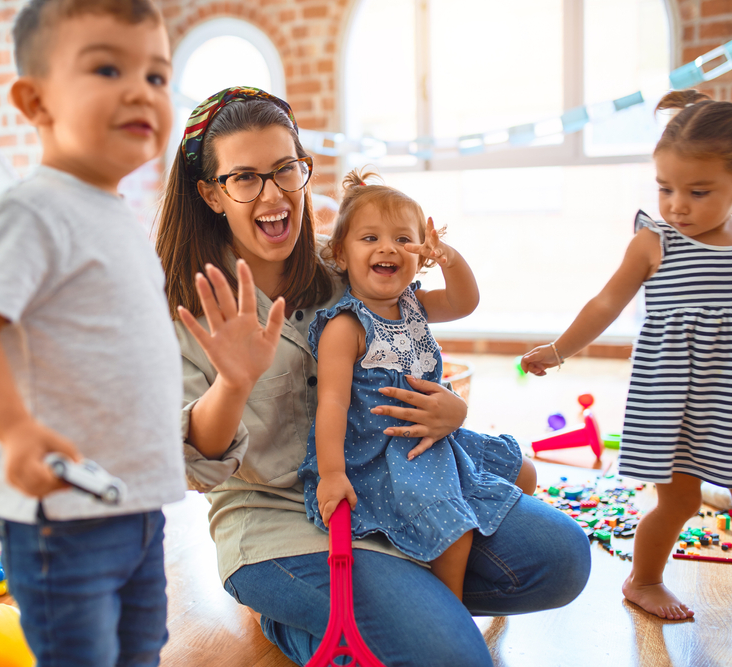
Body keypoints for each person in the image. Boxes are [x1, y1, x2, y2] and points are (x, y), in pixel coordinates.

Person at [154, 86, 590, 667]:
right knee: (452, 656)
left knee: (562, 559)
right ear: (211, 193)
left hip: (386, 487)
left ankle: (388, 615)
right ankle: (308, 622)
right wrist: (232, 382)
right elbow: (201, 459)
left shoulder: (348, 263)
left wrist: (452, 412)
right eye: (245, 178)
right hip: (280, 520)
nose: (272, 194)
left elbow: (420, 334)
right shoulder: (180, 307)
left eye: (286, 169)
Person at [0, 1, 185, 664]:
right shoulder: (32, 209)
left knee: (141, 650)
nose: (141, 90)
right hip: (62, 518)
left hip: (136, 505)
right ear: (36, 101)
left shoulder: (119, 215)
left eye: (157, 76)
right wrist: (15, 428)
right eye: (108, 68)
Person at [522, 78, 732, 621]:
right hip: (677, 395)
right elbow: (605, 304)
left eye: (697, 191)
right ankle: (643, 580)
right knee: (680, 500)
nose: (677, 205)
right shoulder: (654, 241)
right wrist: (558, 349)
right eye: (665, 188)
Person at [299, 167, 531, 600]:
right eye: (370, 239)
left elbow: (466, 302)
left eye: (403, 240)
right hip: (382, 453)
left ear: (421, 255)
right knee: (452, 526)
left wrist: (451, 258)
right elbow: (329, 404)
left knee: (525, 472)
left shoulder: (416, 304)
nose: (388, 248)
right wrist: (331, 473)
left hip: (437, 439)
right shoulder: (346, 327)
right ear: (341, 255)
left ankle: (473, 570)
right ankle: (451, 609)